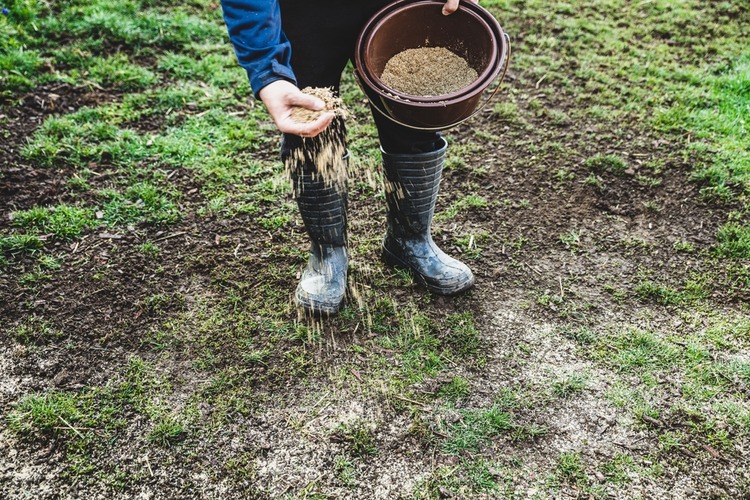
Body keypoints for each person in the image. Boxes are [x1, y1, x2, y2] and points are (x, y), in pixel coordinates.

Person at [221, 0, 478, 315]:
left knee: (416, 115)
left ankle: (410, 242)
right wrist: (267, 70)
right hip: (303, 13)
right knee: (311, 124)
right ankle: (328, 253)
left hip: (399, 4)